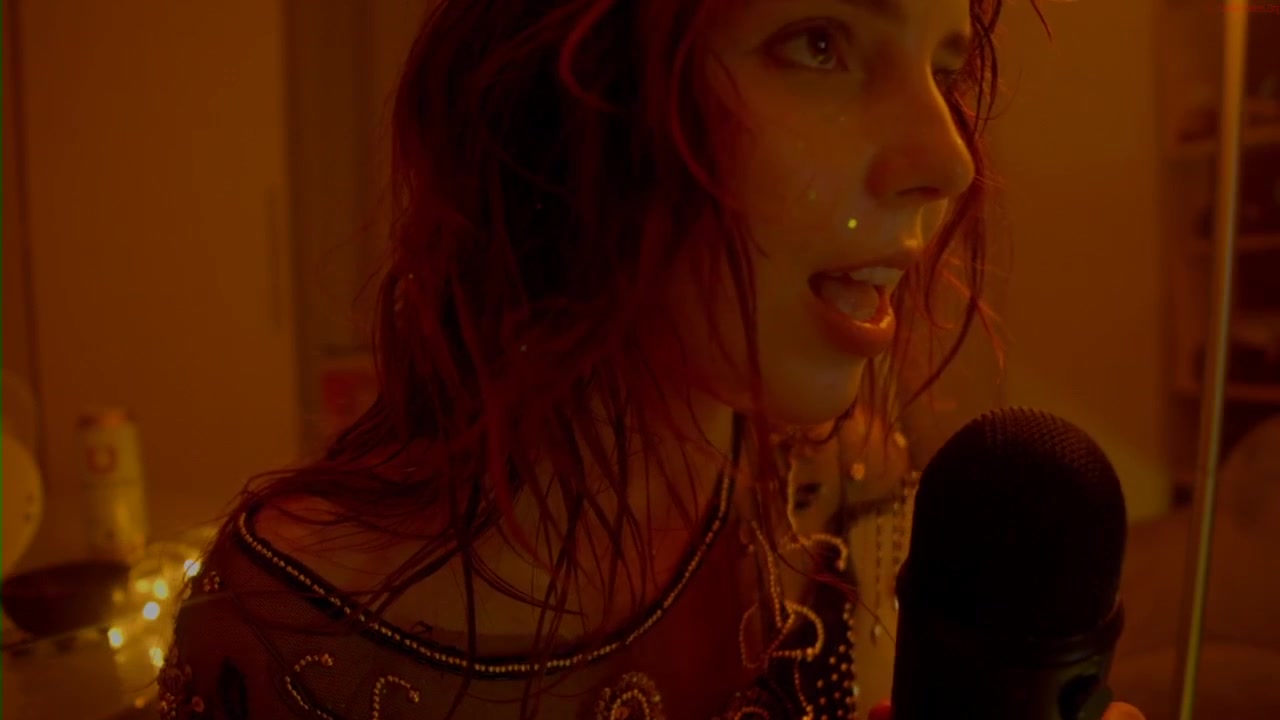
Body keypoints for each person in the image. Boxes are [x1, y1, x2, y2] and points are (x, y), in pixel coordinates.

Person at [156, 0, 1144, 718]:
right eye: (820, 42)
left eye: (943, 69)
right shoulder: (284, 631)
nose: (948, 160)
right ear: (569, 101)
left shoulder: (841, 500)